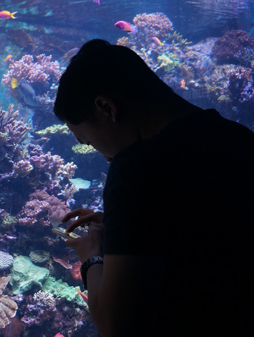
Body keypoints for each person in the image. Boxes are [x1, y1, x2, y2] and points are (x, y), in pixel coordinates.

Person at [53, 39, 254, 336]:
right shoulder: (240, 139)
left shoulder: (137, 169)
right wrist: (126, 229)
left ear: (106, 108)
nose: (104, 156)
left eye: (89, 141)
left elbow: (117, 327)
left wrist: (93, 255)